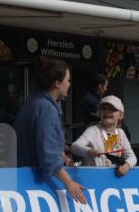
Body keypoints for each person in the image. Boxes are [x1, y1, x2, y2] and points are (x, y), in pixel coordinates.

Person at [14, 59, 86, 204]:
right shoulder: (45, 108)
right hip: (34, 185)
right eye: (68, 80)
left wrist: (62, 155)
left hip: (22, 179)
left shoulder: (32, 102)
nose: (69, 84)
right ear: (57, 83)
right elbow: (49, 158)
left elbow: (39, 142)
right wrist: (69, 183)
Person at [71, 95, 136, 176]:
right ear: (99, 112)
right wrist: (89, 151)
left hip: (112, 179)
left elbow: (132, 157)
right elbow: (74, 147)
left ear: (121, 115)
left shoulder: (121, 133)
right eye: (103, 108)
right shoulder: (93, 130)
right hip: (92, 178)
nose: (107, 111)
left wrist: (127, 166)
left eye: (112, 109)